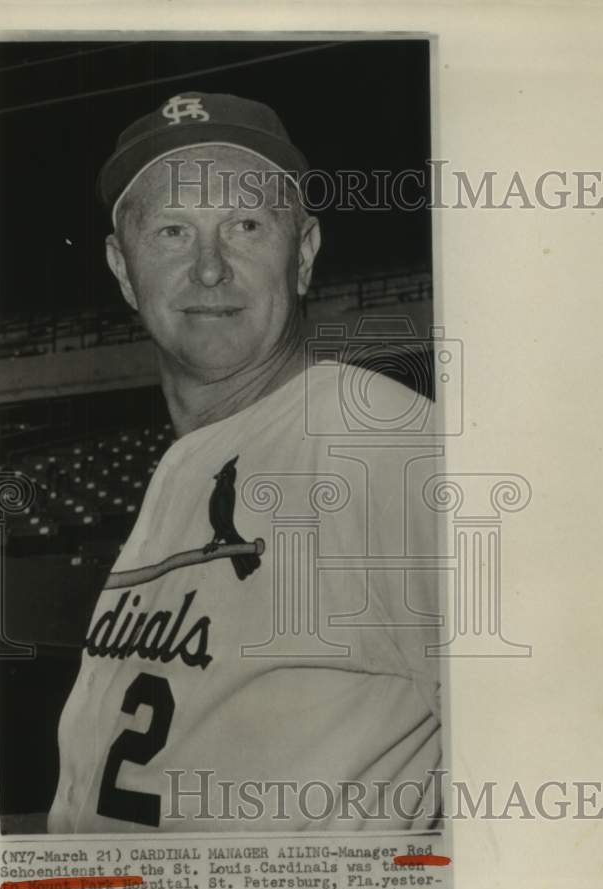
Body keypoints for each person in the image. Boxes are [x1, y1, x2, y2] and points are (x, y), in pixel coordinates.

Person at [48, 92, 442, 834]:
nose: (207, 270)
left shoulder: (379, 448)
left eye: (246, 225)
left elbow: (566, 729)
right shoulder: (187, 464)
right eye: (171, 231)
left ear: (302, 256)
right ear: (122, 270)